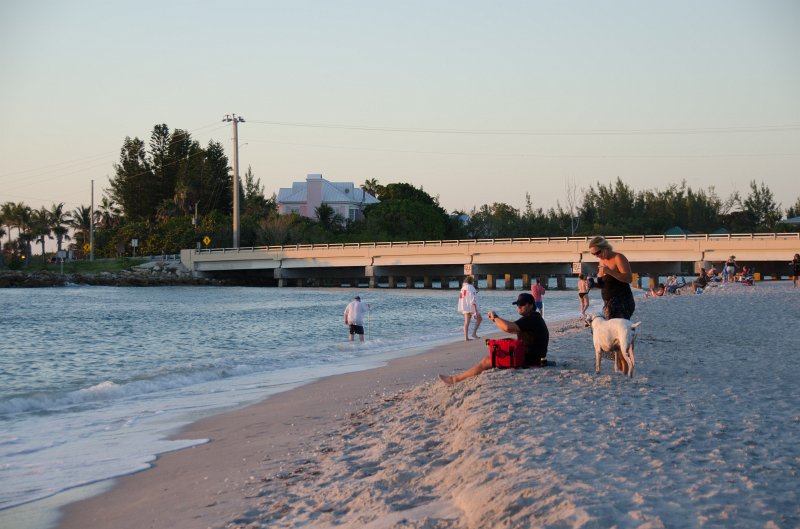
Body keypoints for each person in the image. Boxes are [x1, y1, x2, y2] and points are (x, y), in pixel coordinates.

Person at [439, 293, 549, 385]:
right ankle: (458, 378)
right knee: (502, 345)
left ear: (531, 305)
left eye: (522, 305)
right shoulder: (533, 317)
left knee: (487, 360)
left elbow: (508, 327)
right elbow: (509, 328)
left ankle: (454, 379)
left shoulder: (531, 319)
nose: (519, 307)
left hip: (530, 359)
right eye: (517, 305)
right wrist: (495, 320)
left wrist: (495, 317)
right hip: (534, 355)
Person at [589, 236, 635, 319]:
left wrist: (610, 272)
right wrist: (593, 284)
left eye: (598, 252)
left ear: (605, 247)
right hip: (608, 303)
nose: (597, 256)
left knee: (619, 329)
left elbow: (629, 278)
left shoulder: (618, 257)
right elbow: (604, 285)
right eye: (594, 254)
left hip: (622, 301)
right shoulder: (602, 261)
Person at [457, 276, 482, 340]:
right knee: (479, 319)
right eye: (473, 281)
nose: (473, 282)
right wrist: (475, 307)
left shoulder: (463, 287)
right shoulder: (471, 287)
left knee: (466, 322)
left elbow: (465, 296)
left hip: (465, 306)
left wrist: (475, 293)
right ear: (471, 281)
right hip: (471, 306)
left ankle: (466, 337)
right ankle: (474, 333)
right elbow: (472, 297)